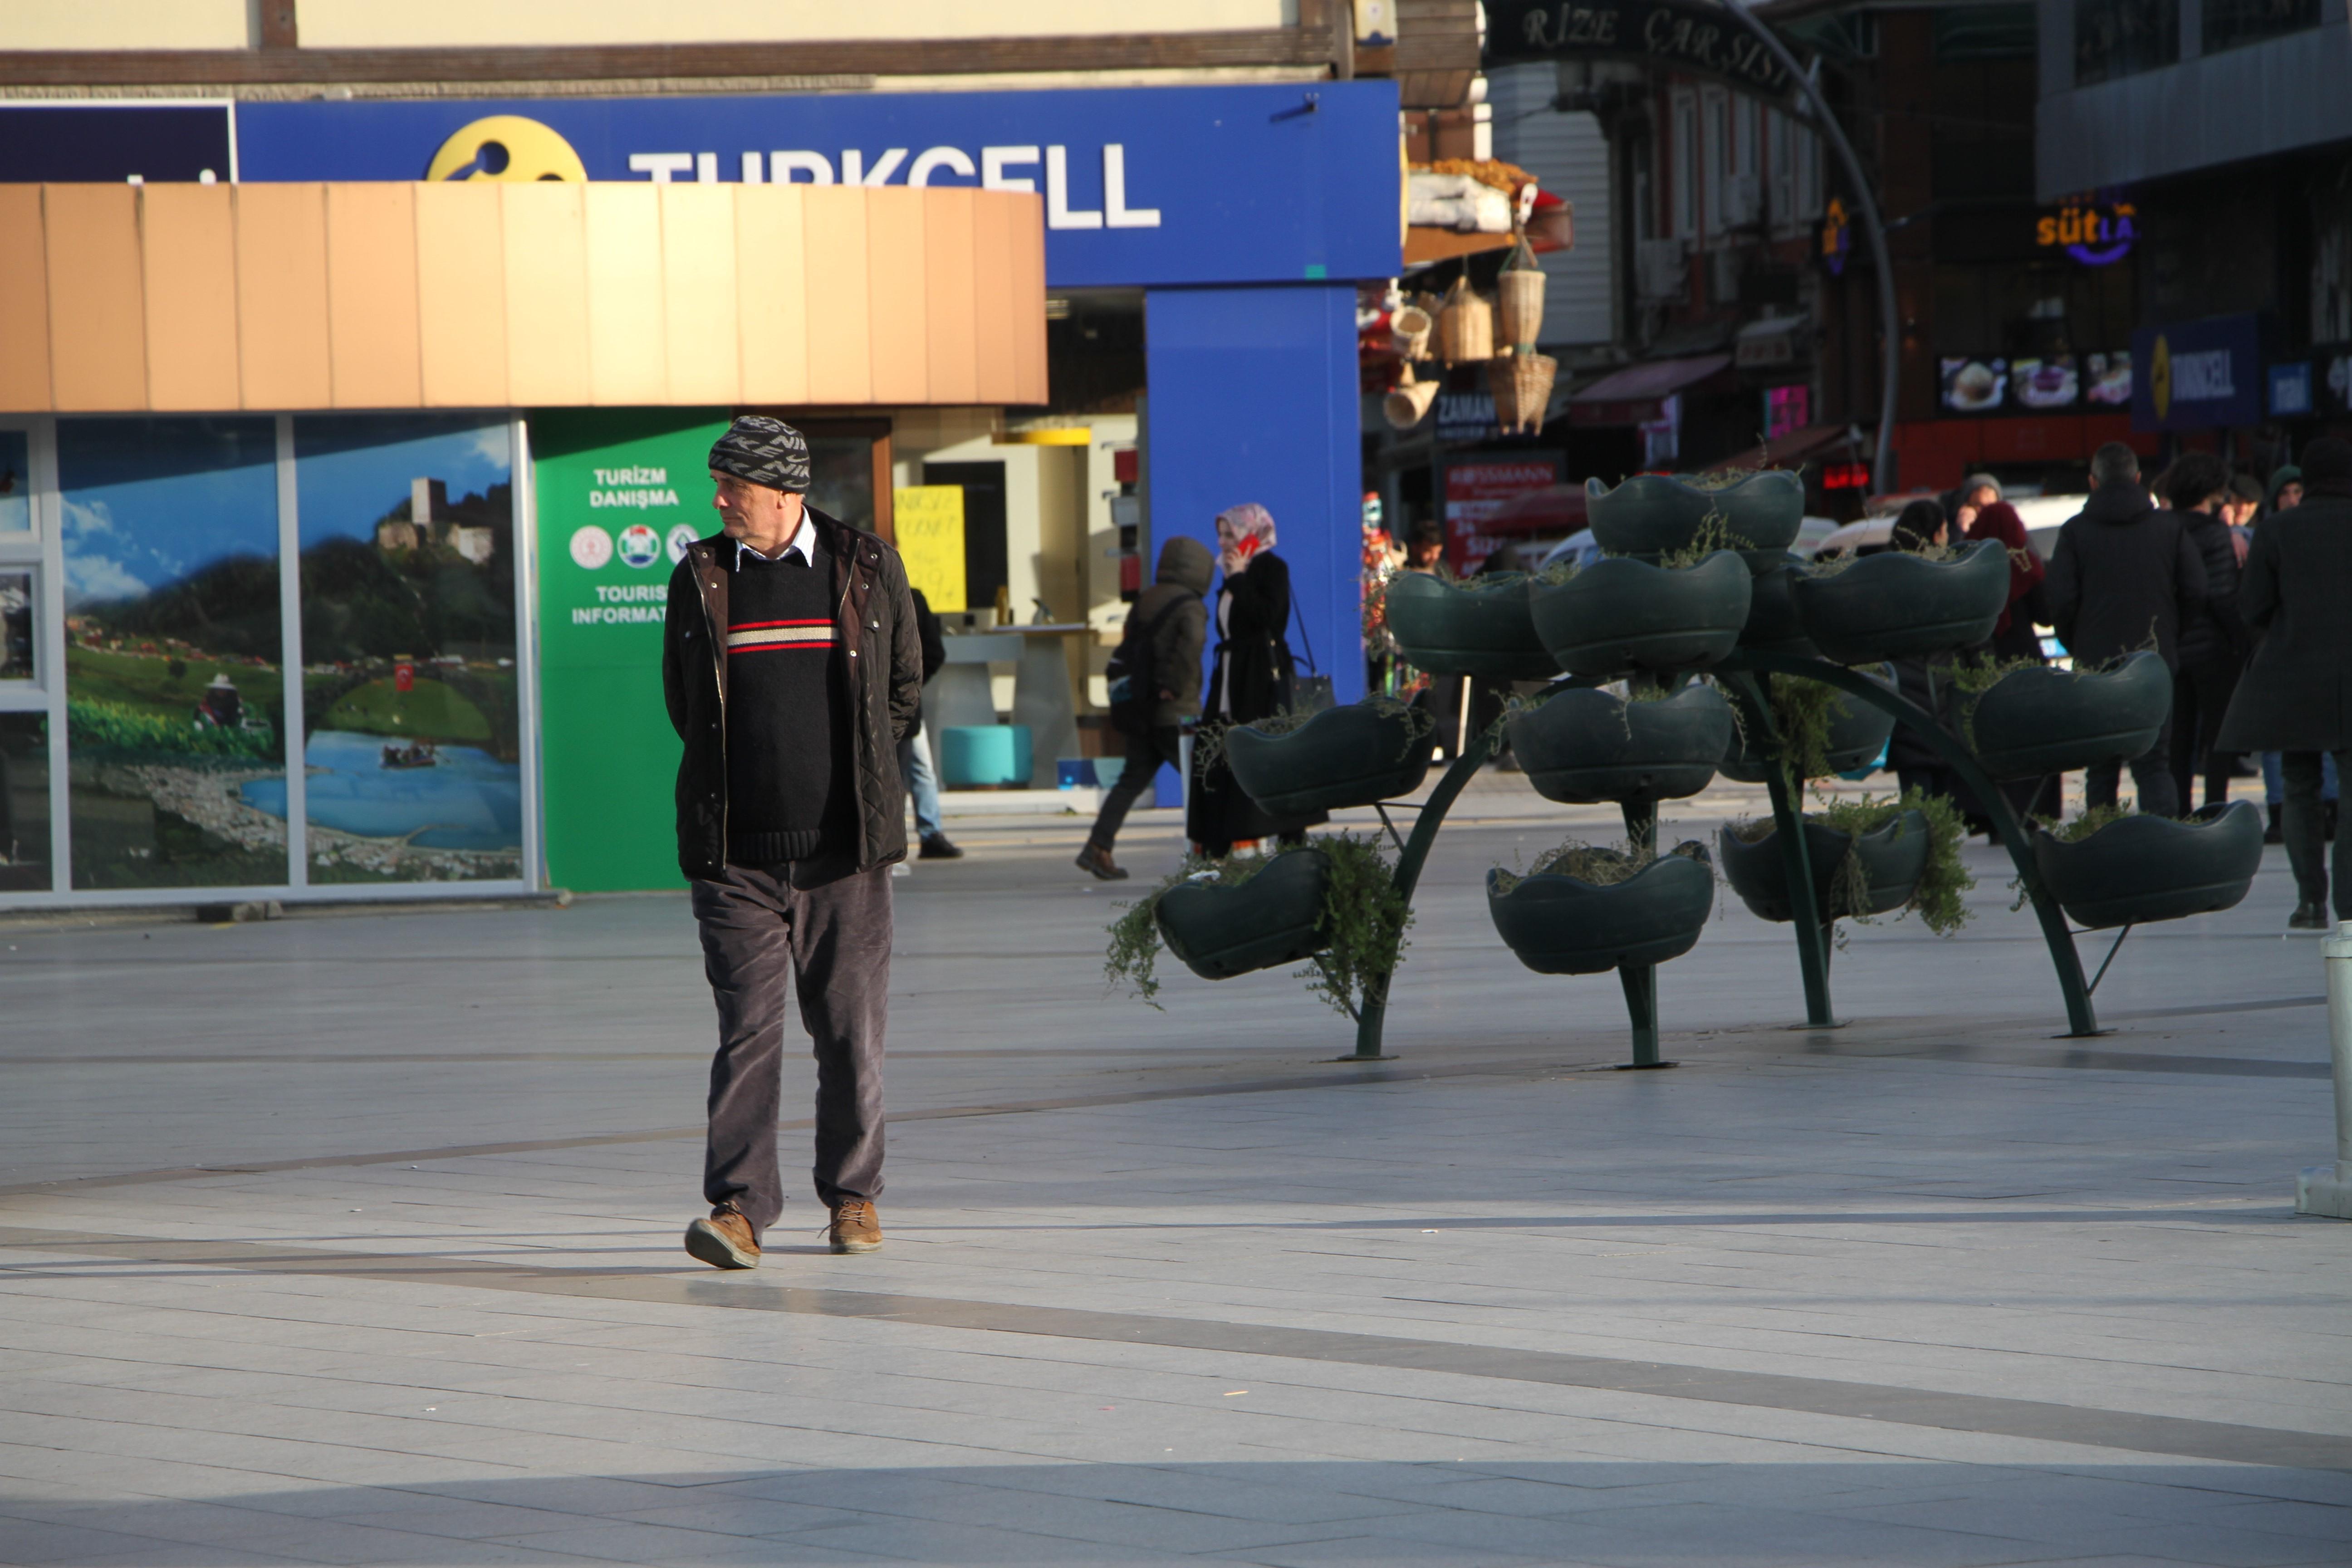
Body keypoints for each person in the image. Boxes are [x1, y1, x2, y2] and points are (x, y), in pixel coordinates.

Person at [661, 415, 923, 1271]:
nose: (719, 500)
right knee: (747, 1033)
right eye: (718, 484)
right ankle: (739, 1210)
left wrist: (853, 786)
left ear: (782, 491)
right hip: (735, 857)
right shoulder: (699, 575)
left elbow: (901, 694)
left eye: (731, 485)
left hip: (844, 855)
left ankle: (853, 1197)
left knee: (850, 1034)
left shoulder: (867, 566)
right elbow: (685, 703)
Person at [2215, 436, 2352, 928]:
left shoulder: (2277, 529)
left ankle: (2310, 902)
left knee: (2299, 785)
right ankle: (2351, 907)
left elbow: (2252, 606)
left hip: (2294, 675)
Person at [2043, 441, 2205, 818]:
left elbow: (2061, 601)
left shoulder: (2075, 532)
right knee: (2155, 764)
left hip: (2096, 666)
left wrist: (2079, 643)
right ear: (2137, 479)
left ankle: (2104, 845)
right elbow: (2197, 589)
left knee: (2101, 767)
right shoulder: (2169, 528)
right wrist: (2169, 635)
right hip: (2154, 662)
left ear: (2093, 481)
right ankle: (2161, 842)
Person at [1187, 503, 1327, 857]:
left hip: (1260, 676)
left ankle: (1291, 843)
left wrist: (1237, 579)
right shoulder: (1234, 568)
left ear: (1251, 534)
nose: (1222, 543)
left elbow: (1269, 617)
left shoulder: (1270, 567)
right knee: (1214, 751)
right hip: (1231, 675)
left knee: (1267, 754)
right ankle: (1215, 846)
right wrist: (1234, 576)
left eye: (1229, 535)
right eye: (1220, 535)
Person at [1075, 536, 1212, 881]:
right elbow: (1192, 645)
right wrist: (1174, 686)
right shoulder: (1190, 605)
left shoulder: (1147, 598)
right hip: (1173, 710)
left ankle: (1098, 846)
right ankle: (1212, 851)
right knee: (1204, 780)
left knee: (1131, 780)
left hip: (1141, 706)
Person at [2163, 455, 2248, 812]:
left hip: (2171, 646)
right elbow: (2224, 596)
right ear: (2212, 491)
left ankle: (2179, 812)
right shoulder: (2217, 534)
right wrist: (2242, 642)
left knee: (2178, 740)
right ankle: (2214, 810)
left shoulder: (2163, 530)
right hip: (2213, 649)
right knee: (2218, 739)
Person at [896, 586, 961, 864]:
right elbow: (934, 653)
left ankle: (915, 834)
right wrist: (911, 688)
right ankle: (929, 833)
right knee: (919, 770)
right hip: (905, 702)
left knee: (908, 770)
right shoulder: (911, 598)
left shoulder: (857, 594)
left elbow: (934, 653)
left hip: (884, 702)